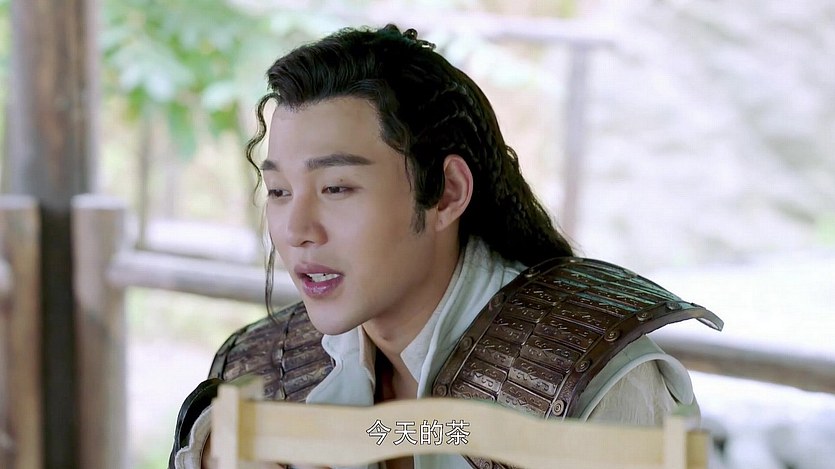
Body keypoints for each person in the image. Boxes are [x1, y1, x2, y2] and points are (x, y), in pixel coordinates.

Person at [168, 24, 722, 469]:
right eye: (279, 191)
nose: (297, 229)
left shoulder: (591, 376)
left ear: (446, 193)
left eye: (337, 188)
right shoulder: (264, 370)